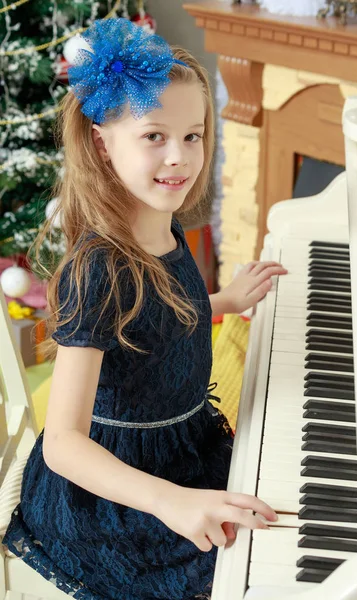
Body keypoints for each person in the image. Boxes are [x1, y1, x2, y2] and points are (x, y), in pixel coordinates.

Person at [2, 17, 287, 600]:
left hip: (183, 445)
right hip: (111, 493)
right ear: (104, 144)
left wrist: (223, 300)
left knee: (273, 512)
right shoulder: (98, 267)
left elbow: (152, 319)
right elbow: (62, 443)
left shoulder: (167, 228)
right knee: (247, 570)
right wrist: (172, 501)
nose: (180, 158)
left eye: (194, 135)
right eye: (155, 136)